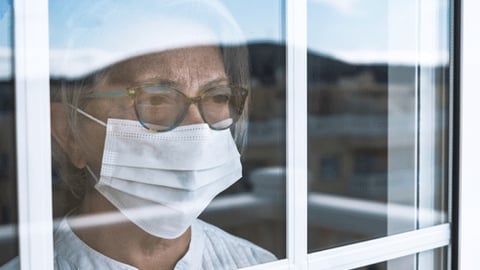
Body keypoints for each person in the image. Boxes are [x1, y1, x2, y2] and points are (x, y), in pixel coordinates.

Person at [1, 1, 276, 269]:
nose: (198, 129)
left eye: (218, 96)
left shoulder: (259, 264)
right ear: (68, 131)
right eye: (156, 99)